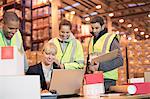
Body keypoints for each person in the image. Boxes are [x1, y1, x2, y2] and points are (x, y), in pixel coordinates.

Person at [87, 16, 123, 92]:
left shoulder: (111, 38)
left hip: (108, 80)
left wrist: (100, 66)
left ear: (103, 26)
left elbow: (120, 60)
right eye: (92, 28)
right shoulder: (91, 40)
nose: (94, 31)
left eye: (97, 28)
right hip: (94, 78)